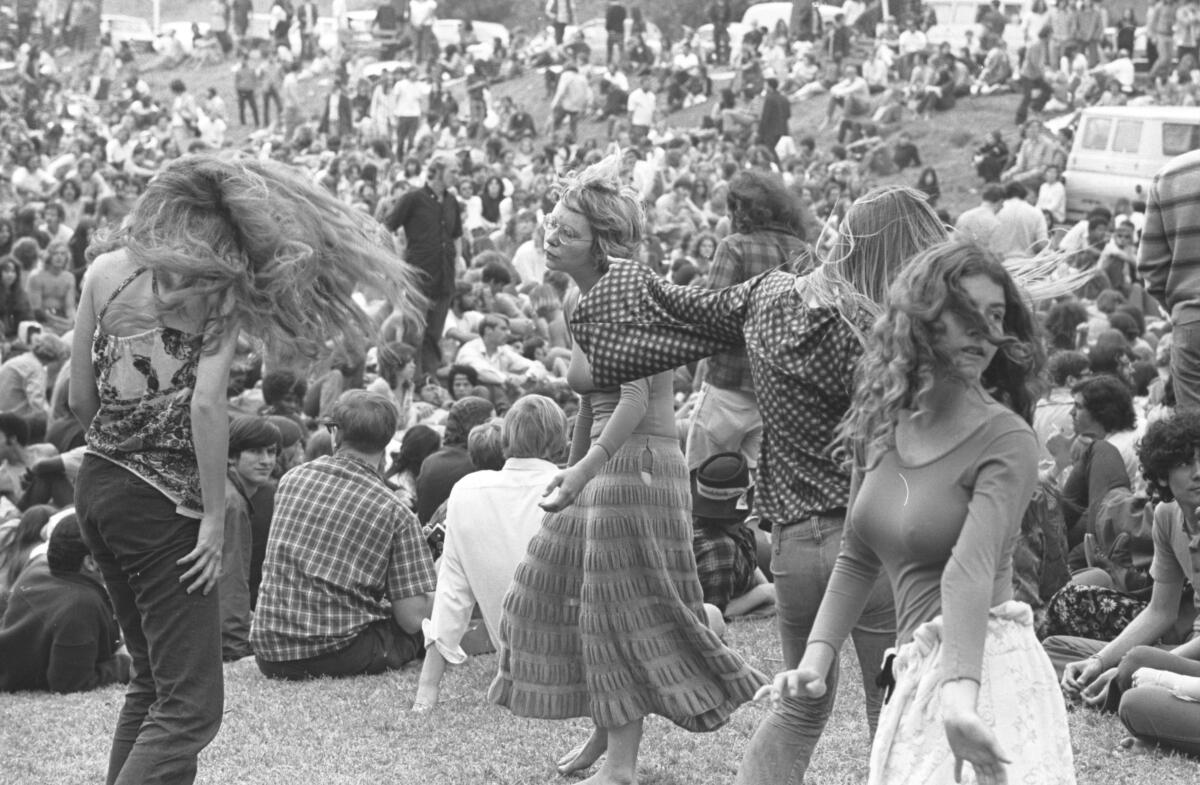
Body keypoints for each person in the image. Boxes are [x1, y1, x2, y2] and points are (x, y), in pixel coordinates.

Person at [567, 185, 948, 785]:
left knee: (800, 704)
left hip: (795, 545)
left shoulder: (769, 297)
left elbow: (677, 309)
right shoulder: (887, 340)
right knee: (891, 700)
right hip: (872, 539)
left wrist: (600, 269)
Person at [69, 154, 419, 785]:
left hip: (98, 486)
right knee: (190, 707)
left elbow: (78, 403)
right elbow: (206, 403)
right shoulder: (213, 292)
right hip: (162, 502)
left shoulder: (102, 272)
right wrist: (209, 515)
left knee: (151, 685)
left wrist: (127, 425)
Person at [489, 156, 765, 784]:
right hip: (602, 467)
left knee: (620, 610)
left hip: (638, 467)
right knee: (550, 588)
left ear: (603, 243)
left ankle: (621, 766)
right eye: (550, 225)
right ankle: (602, 730)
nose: (550, 237)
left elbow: (635, 398)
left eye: (566, 231)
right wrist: (570, 468)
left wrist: (583, 470)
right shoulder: (576, 292)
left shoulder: (628, 291)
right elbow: (591, 397)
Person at [759, 239, 1073, 784]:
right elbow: (857, 557)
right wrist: (815, 659)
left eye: (995, 316)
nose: (983, 330)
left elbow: (969, 568)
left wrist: (958, 697)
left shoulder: (1007, 438)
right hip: (917, 671)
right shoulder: (880, 424)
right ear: (923, 321)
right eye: (965, 313)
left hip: (985, 674)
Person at [251, 390, 436, 679]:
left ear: (335, 433)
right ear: (388, 440)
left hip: (270, 652)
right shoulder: (394, 511)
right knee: (415, 632)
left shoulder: (291, 480)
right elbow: (412, 619)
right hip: (338, 653)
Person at [413, 395, 566, 710]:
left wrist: (427, 689)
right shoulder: (571, 489)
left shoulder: (467, 492)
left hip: (518, 669)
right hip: (577, 667)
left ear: (506, 439)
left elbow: (452, 593)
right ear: (558, 443)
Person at [1052, 410, 1200, 732]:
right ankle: (1112, 681)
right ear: (1162, 476)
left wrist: (1131, 665)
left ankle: (1127, 685)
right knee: (1056, 650)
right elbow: (1160, 611)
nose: (1198, 473)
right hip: (1184, 650)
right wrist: (1100, 661)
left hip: (1187, 652)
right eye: (1186, 464)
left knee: (1135, 674)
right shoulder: (1166, 515)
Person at [686, 170, 808, 474]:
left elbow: (712, 315)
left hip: (728, 386)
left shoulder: (734, 246)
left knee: (702, 486)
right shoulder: (802, 251)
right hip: (776, 393)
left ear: (741, 209)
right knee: (756, 500)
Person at [0, 513, 131, 693]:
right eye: (109, 549)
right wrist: (126, 665)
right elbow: (69, 682)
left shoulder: (38, 568)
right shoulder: (81, 605)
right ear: (91, 563)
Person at [383, 152, 464, 376]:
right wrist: (393, 259)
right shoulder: (413, 198)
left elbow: (457, 234)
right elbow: (386, 227)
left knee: (434, 335)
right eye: (453, 171)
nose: (457, 176)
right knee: (413, 333)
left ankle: (428, 378)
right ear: (437, 171)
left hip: (445, 276)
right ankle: (409, 377)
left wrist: (458, 260)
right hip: (419, 276)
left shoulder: (451, 201)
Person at [1138, 148, 1200, 412]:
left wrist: (1183, 308)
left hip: (1192, 322)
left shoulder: (1171, 174)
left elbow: (1151, 268)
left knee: (1194, 429)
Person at [219, 417, 280, 662]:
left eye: (271, 452)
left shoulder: (229, 491)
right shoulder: (232, 502)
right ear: (232, 456)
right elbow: (230, 576)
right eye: (255, 452)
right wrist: (235, 646)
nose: (266, 460)